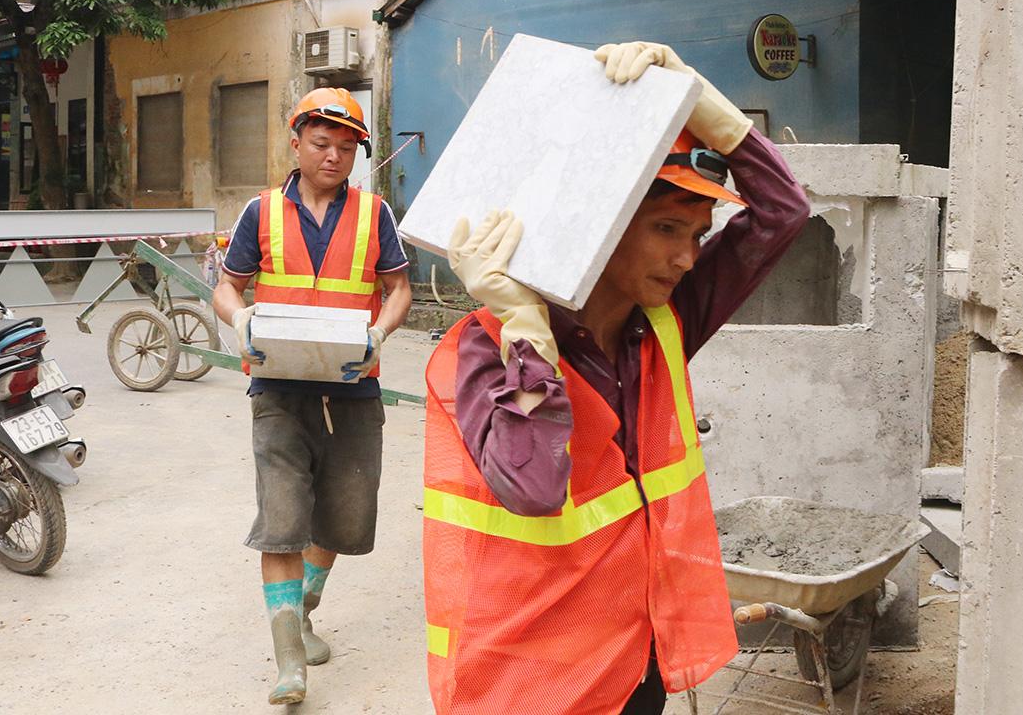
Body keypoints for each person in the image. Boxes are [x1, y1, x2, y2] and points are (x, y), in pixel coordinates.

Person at [422, 42, 811, 714]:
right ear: (601, 222)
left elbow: (782, 212)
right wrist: (525, 325)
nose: (688, 258)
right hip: (538, 676)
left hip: (636, 656)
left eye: (699, 233)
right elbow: (536, 487)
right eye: (666, 228)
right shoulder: (488, 348)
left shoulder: (663, 320)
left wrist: (695, 95)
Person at [211, 87, 412, 705]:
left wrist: (379, 332)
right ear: (295, 144)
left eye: (347, 147)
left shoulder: (374, 213)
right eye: (321, 144)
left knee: (345, 517)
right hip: (278, 390)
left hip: (353, 389)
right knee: (282, 523)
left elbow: (398, 287)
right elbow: (228, 285)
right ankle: (289, 665)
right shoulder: (261, 212)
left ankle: (304, 606)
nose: (333, 156)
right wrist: (239, 319)